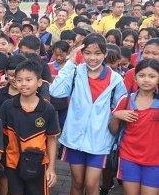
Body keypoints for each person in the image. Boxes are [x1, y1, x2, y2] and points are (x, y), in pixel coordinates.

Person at [49, 34, 126, 195]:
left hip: (99, 141)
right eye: (88, 53)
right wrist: (70, 61)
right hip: (75, 138)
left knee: (91, 184)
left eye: (98, 53)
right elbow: (55, 90)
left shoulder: (116, 79)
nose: (93, 58)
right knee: (77, 182)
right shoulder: (76, 72)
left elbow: (120, 108)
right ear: (82, 53)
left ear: (105, 54)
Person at [0, 60, 59, 195]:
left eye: (28, 80)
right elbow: (1, 136)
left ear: (39, 82)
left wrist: (51, 168)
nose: (23, 84)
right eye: (19, 80)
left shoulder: (47, 108)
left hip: (39, 164)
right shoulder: (7, 106)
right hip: (12, 163)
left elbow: (51, 139)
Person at [109, 59, 159, 195]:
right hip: (129, 157)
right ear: (135, 78)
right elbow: (113, 130)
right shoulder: (126, 100)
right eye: (142, 75)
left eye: (152, 76)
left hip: (155, 161)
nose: (146, 80)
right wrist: (116, 116)